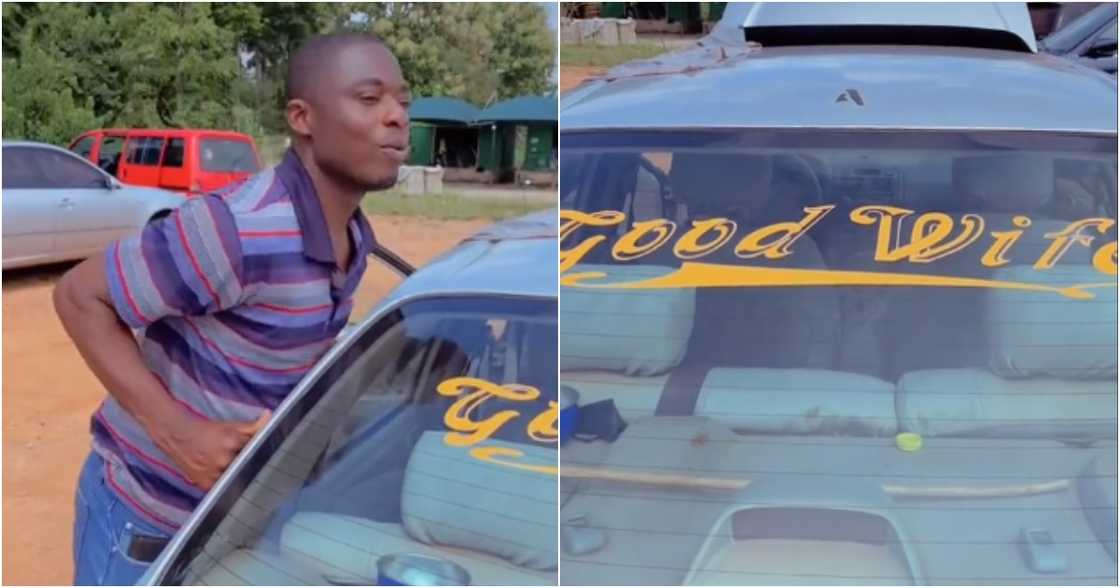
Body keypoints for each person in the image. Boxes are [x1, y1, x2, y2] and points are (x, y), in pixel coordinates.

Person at [53, 32, 410, 585]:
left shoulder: (354, 238)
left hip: (234, 528)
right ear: (302, 117)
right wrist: (179, 432)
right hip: (146, 527)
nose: (396, 118)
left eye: (403, 102)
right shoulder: (236, 229)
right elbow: (79, 296)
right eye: (370, 99)